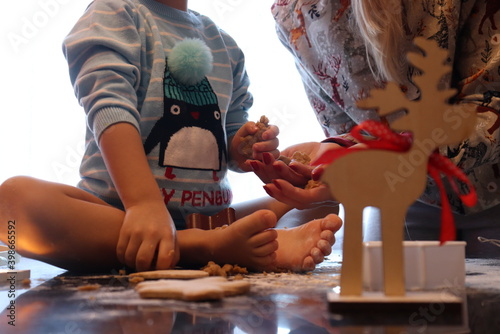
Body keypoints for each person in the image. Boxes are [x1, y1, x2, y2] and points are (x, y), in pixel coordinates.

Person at [0, 0, 342, 273]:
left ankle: (235, 241)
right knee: (12, 203)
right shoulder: (113, 13)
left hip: (213, 220)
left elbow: (229, 136)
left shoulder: (224, 43)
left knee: (323, 195)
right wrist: (144, 204)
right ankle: (203, 247)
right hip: (118, 218)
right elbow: (109, 109)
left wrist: (244, 146)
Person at [250, 0, 500, 257]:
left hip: (494, 189)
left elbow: (489, 107)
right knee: (388, 291)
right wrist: (336, 150)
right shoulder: (294, 17)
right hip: (403, 197)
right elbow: (350, 127)